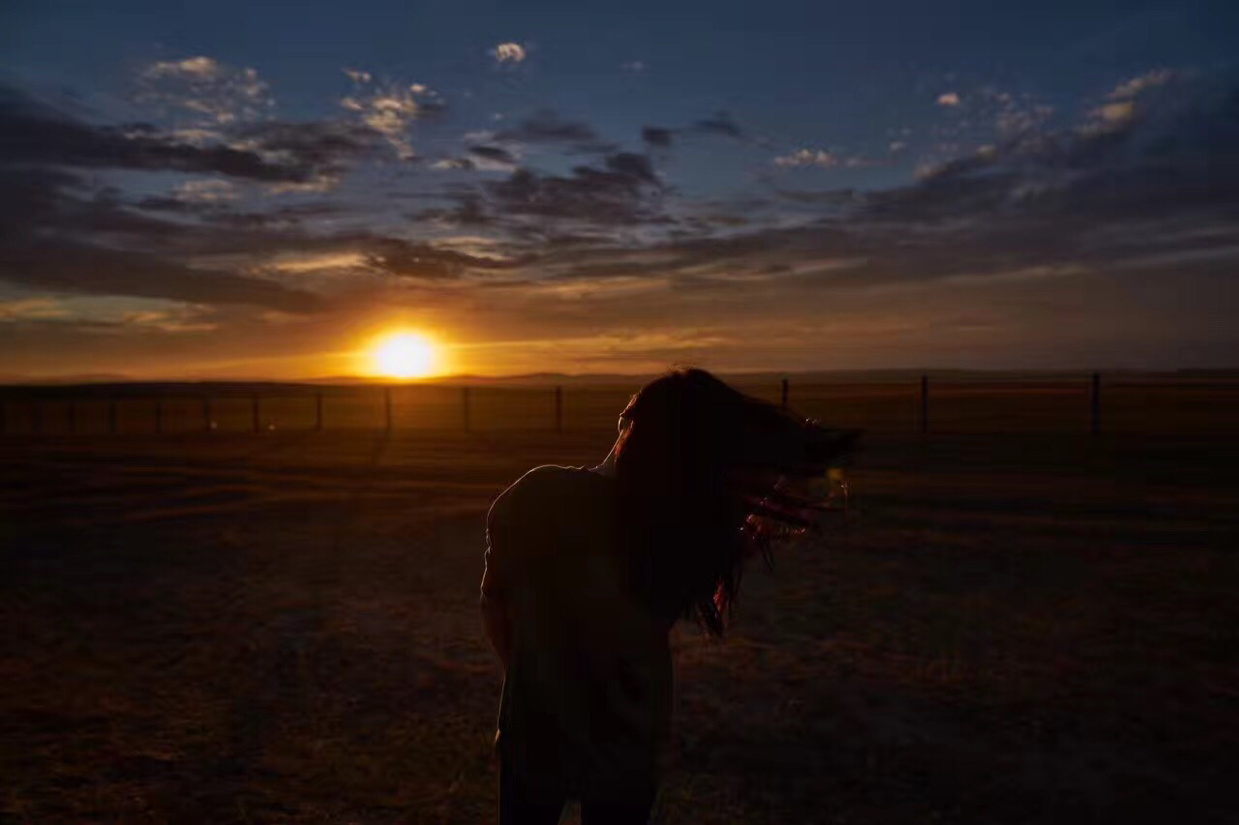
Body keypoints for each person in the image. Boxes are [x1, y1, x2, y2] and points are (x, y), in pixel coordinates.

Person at [480, 367, 858, 824]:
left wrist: (532, 682)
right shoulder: (674, 534)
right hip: (627, 742)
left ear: (627, 420)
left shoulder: (532, 496)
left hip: (535, 733)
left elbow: (495, 607)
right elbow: (720, 555)